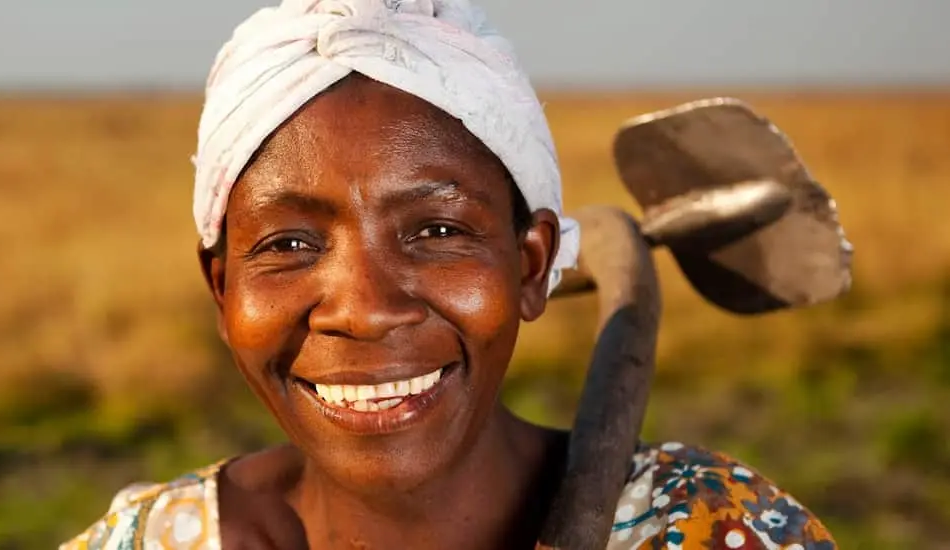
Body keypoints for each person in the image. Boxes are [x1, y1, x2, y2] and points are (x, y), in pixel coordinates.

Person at [62, 1, 837, 548]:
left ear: (530, 265)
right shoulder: (148, 541)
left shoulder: (709, 529)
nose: (364, 311)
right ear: (222, 287)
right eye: (290, 244)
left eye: (437, 230)